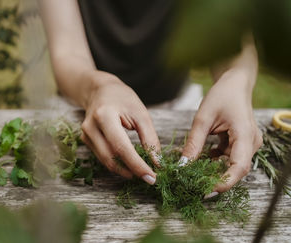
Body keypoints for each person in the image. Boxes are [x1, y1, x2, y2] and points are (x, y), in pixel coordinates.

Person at [38, 0, 262, 197]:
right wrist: (97, 88)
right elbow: (67, 53)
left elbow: (230, 37)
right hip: (85, 105)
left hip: (179, 108)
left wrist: (236, 79)